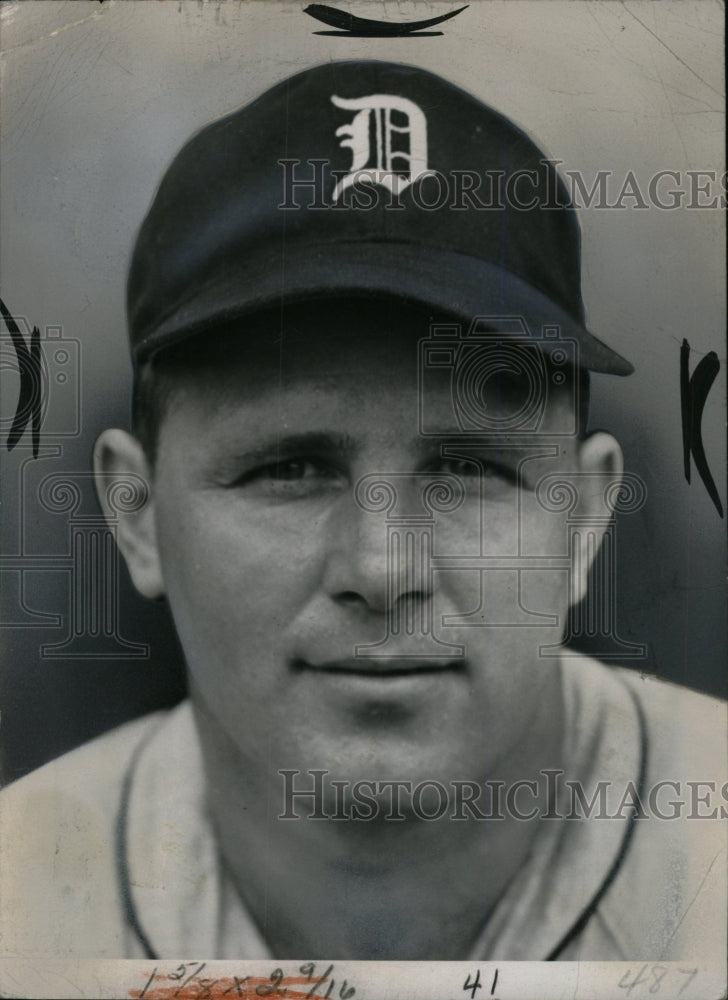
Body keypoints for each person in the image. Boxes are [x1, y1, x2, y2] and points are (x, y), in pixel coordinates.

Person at [0, 60, 725, 963]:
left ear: (583, 520)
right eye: (290, 467)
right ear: (138, 515)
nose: (383, 571)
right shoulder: (17, 904)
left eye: (467, 468)